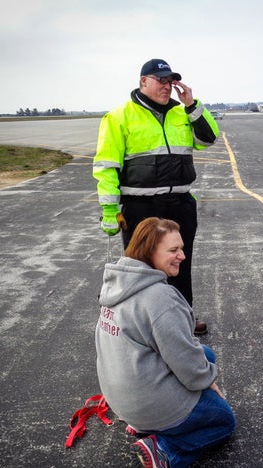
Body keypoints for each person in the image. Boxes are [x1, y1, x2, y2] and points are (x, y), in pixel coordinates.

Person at [95, 217, 236, 468]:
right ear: (149, 252)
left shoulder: (116, 285)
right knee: (223, 420)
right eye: (173, 250)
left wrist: (203, 370)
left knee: (204, 353)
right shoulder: (159, 298)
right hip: (146, 402)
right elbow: (189, 365)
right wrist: (208, 381)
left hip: (121, 398)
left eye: (181, 248)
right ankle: (166, 452)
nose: (182, 255)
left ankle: (143, 425)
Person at [93, 58, 219, 335]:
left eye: (170, 80)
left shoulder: (181, 113)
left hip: (180, 203)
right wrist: (110, 211)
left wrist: (192, 105)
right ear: (143, 82)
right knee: (142, 267)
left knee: (179, 263)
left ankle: (183, 318)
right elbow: (106, 167)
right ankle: (141, 323)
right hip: (142, 206)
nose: (166, 86)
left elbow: (209, 139)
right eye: (160, 80)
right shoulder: (119, 116)